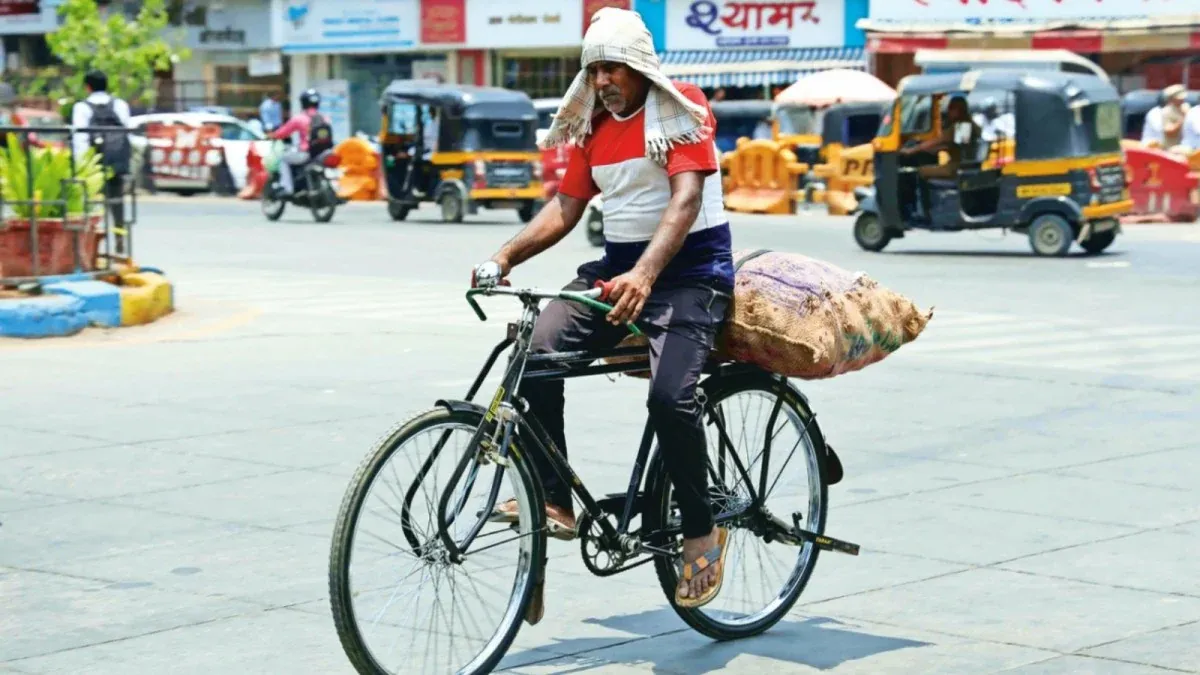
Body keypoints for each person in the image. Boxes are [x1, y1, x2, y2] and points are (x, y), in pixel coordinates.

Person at [473, 6, 734, 622]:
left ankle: (701, 529)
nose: (602, 81)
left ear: (640, 67)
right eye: (594, 70)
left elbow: (686, 199)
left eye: (613, 68)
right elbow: (566, 208)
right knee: (534, 356)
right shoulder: (593, 128)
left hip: (691, 275)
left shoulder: (683, 108)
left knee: (670, 399)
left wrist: (646, 274)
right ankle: (554, 502)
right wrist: (503, 256)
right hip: (616, 270)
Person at [71, 70, 132, 253]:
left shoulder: (82, 107)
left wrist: (81, 165)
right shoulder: (120, 104)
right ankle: (120, 236)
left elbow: (80, 138)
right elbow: (126, 131)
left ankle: (89, 243)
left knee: (89, 203)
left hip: (94, 163)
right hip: (116, 162)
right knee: (116, 201)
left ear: (87, 87)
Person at [269, 88, 332, 196]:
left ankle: (287, 188)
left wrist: (273, 135)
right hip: (322, 153)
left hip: (306, 154)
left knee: (283, 159)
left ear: (303, 102)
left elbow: (283, 133)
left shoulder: (299, 118)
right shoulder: (325, 118)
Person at [902, 95, 981, 180]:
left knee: (921, 171)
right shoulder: (970, 125)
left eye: (951, 108)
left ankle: (921, 189)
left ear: (958, 110)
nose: (948, 112)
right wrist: (934, 149)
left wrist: (911, 150)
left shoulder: (960, 127)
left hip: (956, 169)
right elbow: (956, 146)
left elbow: (937, 141)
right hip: (965, 167)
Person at [1159, 84, 1190, 151]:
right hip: (1170, 148)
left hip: (1186, 145)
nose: (1182, 100)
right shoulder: (1167, 111)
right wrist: (1184, 118)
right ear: (1171, 99)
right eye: (1179, 99)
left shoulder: (1186, 107)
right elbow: (1169, 132)